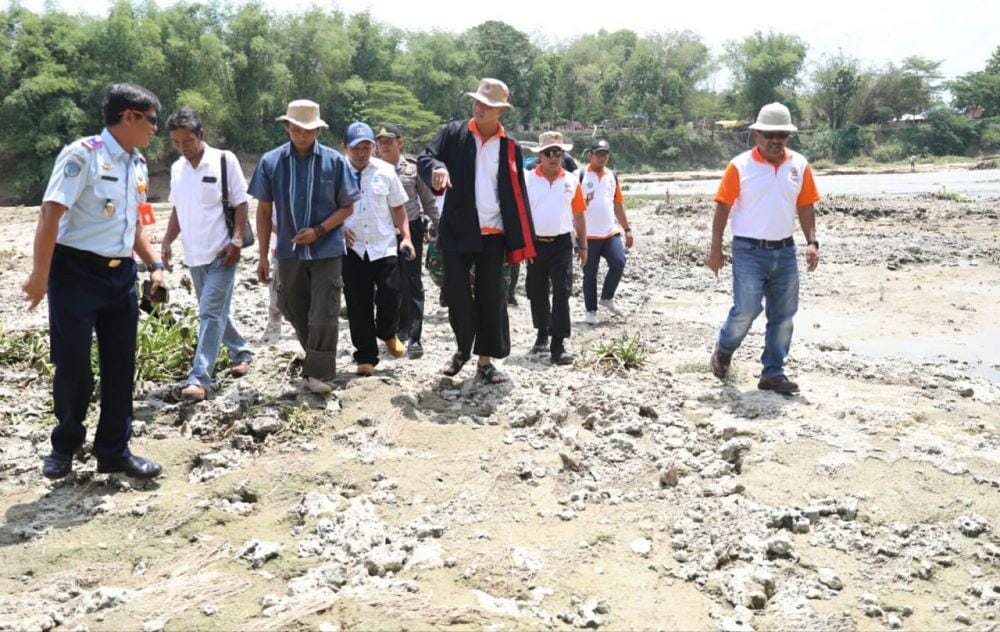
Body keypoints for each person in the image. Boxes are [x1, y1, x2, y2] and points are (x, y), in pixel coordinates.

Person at [21, 83, 164, 479]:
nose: (155, 128)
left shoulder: (138, 165)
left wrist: (155, 265)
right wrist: (40, 275)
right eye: (151, 120)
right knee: (73, 365)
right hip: (76, 274)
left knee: (121, 365)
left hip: (121, 276)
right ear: (129, 117)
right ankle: (65, 446)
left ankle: (113, 450)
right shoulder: (82, 155)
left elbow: (135, 225)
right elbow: (50, 215)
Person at [417, 78, 535, 384]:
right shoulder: (454, 133)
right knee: (456, 294)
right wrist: (438, 169)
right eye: (477, 102)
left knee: (491, 297)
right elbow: (426, 157)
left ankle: (486, 361)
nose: (479, 108)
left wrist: (523, 238)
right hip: (457, 228)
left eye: (488, 105)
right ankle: (461, 350)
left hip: (494, 232)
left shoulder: (510, 147)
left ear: (500, 112)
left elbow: (517, 194)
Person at [706, 102, 821, 394]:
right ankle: (724, 349)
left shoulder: (799, 165)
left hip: (785, 252)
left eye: (782, 135)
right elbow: (723, 207)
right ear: (757, 135)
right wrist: (715, 249)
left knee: (783, 315)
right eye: (769, 134)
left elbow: (805, 205)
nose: (775, 140)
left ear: (788, 136)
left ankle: (773, 373)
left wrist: (811, 242)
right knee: (746, 309)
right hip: (748, 251)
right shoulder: (739, 166)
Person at [248, 100, 360, 394]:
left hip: (327, 249)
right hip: (288, 251)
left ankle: (318, 373)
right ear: (287, 127)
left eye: (308, 131)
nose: (302, 136)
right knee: (292, 306)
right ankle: (316, 357)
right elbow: (263, 210)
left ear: (318, 130)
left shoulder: (335, 162)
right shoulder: (271, 162)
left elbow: (347, 207)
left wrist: (319, 230)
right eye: (296, 129)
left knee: (325, 309)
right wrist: (262, 255)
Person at [160, 107, 254, 401]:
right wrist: (167, 241)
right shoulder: (177, 169)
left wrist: (236, 242)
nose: (182, 147)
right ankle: (242, 351)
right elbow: (178, 209)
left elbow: (241, 203)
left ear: (201, 135)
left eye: (187, 141)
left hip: (222, 252)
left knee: (210, 313)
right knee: (214, 310)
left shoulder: (224, 160)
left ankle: (199, 379)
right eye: (176, 142)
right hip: (194, 255)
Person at [341, 121, 414, 376]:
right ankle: (366, 356)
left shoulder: (385, 171)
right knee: (357, 303)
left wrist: (406, 237)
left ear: (373, 147)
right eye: (356, 148)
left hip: (384, 245)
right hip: (352, 248)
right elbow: (325, 206)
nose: (362, 153)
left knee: (391, 295)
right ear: (345, 147)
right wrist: (338, 227)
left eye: (367, 147)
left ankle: (387, 332)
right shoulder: (336, 171)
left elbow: (398, 207)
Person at [374, 123, 440, 359]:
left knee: (412, 283)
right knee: (389, 284)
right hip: (381, 232)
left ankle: (415, 336)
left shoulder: (412, 169)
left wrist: (440, 227)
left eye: (389, 141)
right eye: (380, 141)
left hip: (409, 229)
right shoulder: (373, 169)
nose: (384, 145)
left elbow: (428, 201)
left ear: (399, 143)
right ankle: (396, 330)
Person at [524, 131, 588, 364]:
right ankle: (542, 333)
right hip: (535, 243)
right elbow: (521, 216)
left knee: (562, 290)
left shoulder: (571, 181)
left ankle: (558, 344)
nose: (553, 157)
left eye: (558, 152)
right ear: (540, 155)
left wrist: (583, 247)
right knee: (537, 291)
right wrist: (523, 246)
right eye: (548, 153)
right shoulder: (527, 180)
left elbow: (579, 215)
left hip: (562, 243)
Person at [579, 138, 633, 324]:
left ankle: (607, 297)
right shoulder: (580, 175)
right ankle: (590, 311)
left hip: (610, 232)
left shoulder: (612, 176)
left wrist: (627, 229)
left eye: (605, 154)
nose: (602, 158)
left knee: (619, 262)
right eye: (598, 154)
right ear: (590, 154)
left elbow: (617, 204)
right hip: (588, 235)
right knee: (590, 274)